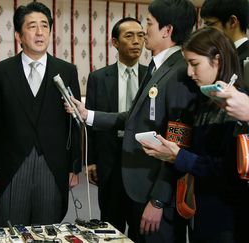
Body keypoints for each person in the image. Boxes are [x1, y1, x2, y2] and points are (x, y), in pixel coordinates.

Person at [67, 0, 198, 242]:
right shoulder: (159, 68)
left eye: (148, 24)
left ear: (166, 30)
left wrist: (159, 200)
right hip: (139, 187)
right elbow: (133, 118)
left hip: (155, 195)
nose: (143, 31)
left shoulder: (180, 72)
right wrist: (88, 115)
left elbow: (177, 146)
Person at [140, 27, 249, 243]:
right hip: (202, 210)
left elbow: (229, 172)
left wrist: (178, 156)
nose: (190, 72)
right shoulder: (205, 101)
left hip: (227, 218)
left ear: (217, 60)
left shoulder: (237, 106)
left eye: (194, 64)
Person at [0, 1, 81, 226]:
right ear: (19, 35)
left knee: (48, 230)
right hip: (13, 164)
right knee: (11, 230)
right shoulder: (1, 72)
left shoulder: (66, 70)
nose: (39, 32)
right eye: (32, 26)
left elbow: (72, 123)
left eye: (45, 26)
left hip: (53, 164)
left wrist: (74, 167)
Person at [85, 17, 146, 236]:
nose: (136, 41)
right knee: (110, 226)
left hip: (142, 161)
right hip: (109, 160)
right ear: (115, 42)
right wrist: (91, 159)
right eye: (129, 36)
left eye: (141, 35)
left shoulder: (153, 76)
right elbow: (90, 122)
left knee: (141, 227)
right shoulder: (98, 78)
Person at [200, 0, 249, 87]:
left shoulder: (245, 61)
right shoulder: (219, 55)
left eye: (210, 24)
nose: (207, 31)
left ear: (232, 21)